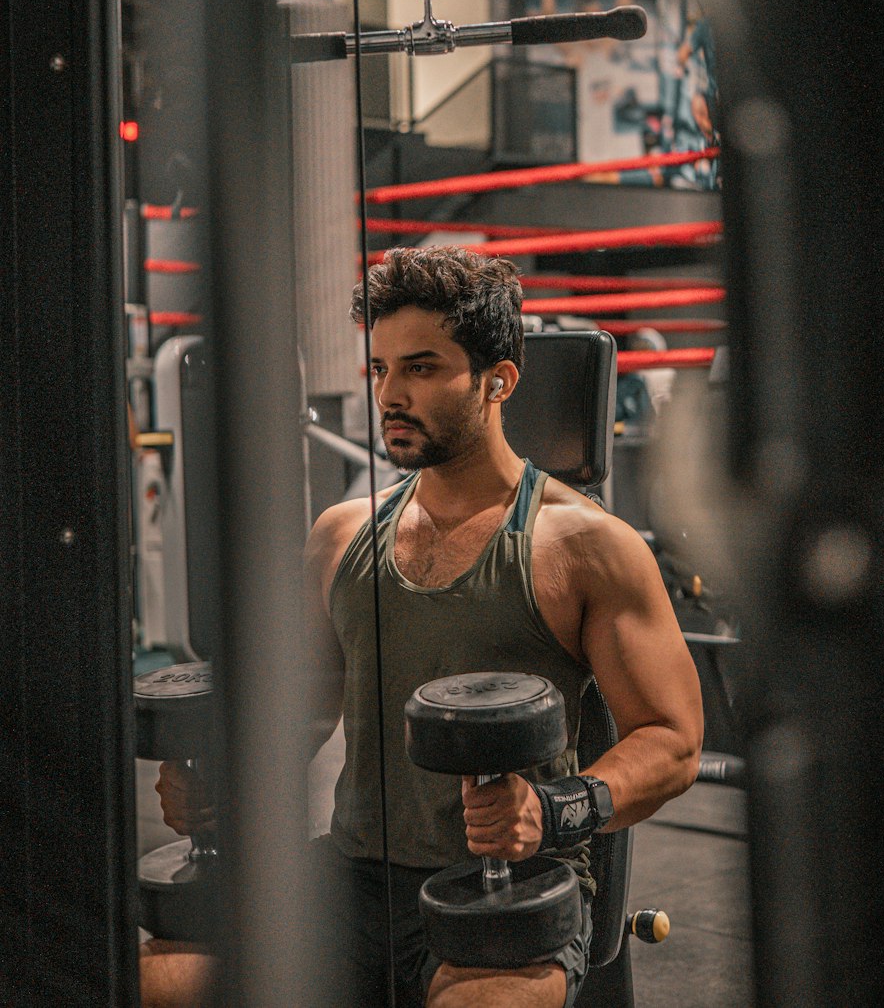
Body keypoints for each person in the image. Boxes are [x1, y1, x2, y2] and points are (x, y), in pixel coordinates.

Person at [141, 248, 704, 1008]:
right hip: (348, 877)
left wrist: (552, 810)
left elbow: (673, 740)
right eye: (379, 369)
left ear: (497, 380)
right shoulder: (340, 536)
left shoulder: (587, 547)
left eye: (422, 368)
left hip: (505, 892)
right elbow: (306, 709)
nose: (390, 394)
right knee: (156, 981)